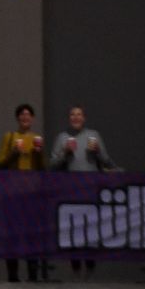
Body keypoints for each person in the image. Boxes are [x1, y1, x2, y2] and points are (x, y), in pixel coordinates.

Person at [50, 106, 116, 279]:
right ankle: (76, 266)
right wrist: (65, 153)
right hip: (70, 190)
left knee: (91, 227)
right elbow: (52, 164)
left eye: (79, 114)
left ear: (84, 118)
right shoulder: (62, 137)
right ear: (69, 118)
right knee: (73, 228)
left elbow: (108, 162)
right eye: (72, 114)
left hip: (90, 188)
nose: (76, 117)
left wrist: (97, 152)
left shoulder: (93, 135)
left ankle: (90, 265)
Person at [0, 103, 46, 282]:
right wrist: (14, 153)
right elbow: (0, 164)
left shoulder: (36, 139)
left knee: (32, 235)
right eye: (22, 115)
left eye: (28, 115)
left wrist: (39, 153)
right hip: (13, 193)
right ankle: (13, 275)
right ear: (18, 118)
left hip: (31, 193)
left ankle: (33, 275)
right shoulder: (9, 137)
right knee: (12, 235)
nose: (25, 118)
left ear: (32, 119)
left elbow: (42, 168)